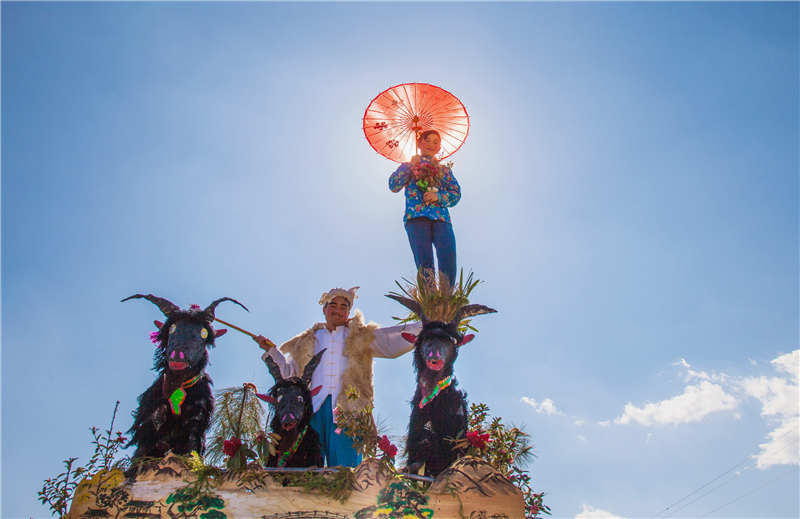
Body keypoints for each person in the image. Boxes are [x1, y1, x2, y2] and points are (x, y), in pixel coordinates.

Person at [254, 287, 421, 468]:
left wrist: (427, 326)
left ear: (348, 312)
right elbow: (289, 373)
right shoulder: (308, 340)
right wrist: (271, 350)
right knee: (308, 462)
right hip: (313, 409)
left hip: (347, 411)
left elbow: (390, 340)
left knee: (345, 468)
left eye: (344, 306)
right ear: (325, 309)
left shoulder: (359, 336)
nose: (338, 310)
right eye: (333, 305)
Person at [388, 130, 461, 286]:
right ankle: (429, 300)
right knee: (424, 261)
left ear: (439, 147)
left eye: (436, 142)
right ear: (420, 143)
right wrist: (409, 167)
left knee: (448, 256)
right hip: (416, 218)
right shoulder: (408, 166)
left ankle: (447, 300)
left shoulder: (444, 170)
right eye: (427, 140)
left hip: (441, 218)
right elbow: (393, 185)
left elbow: (456, 194)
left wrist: (439, 197)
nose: (431, 145)